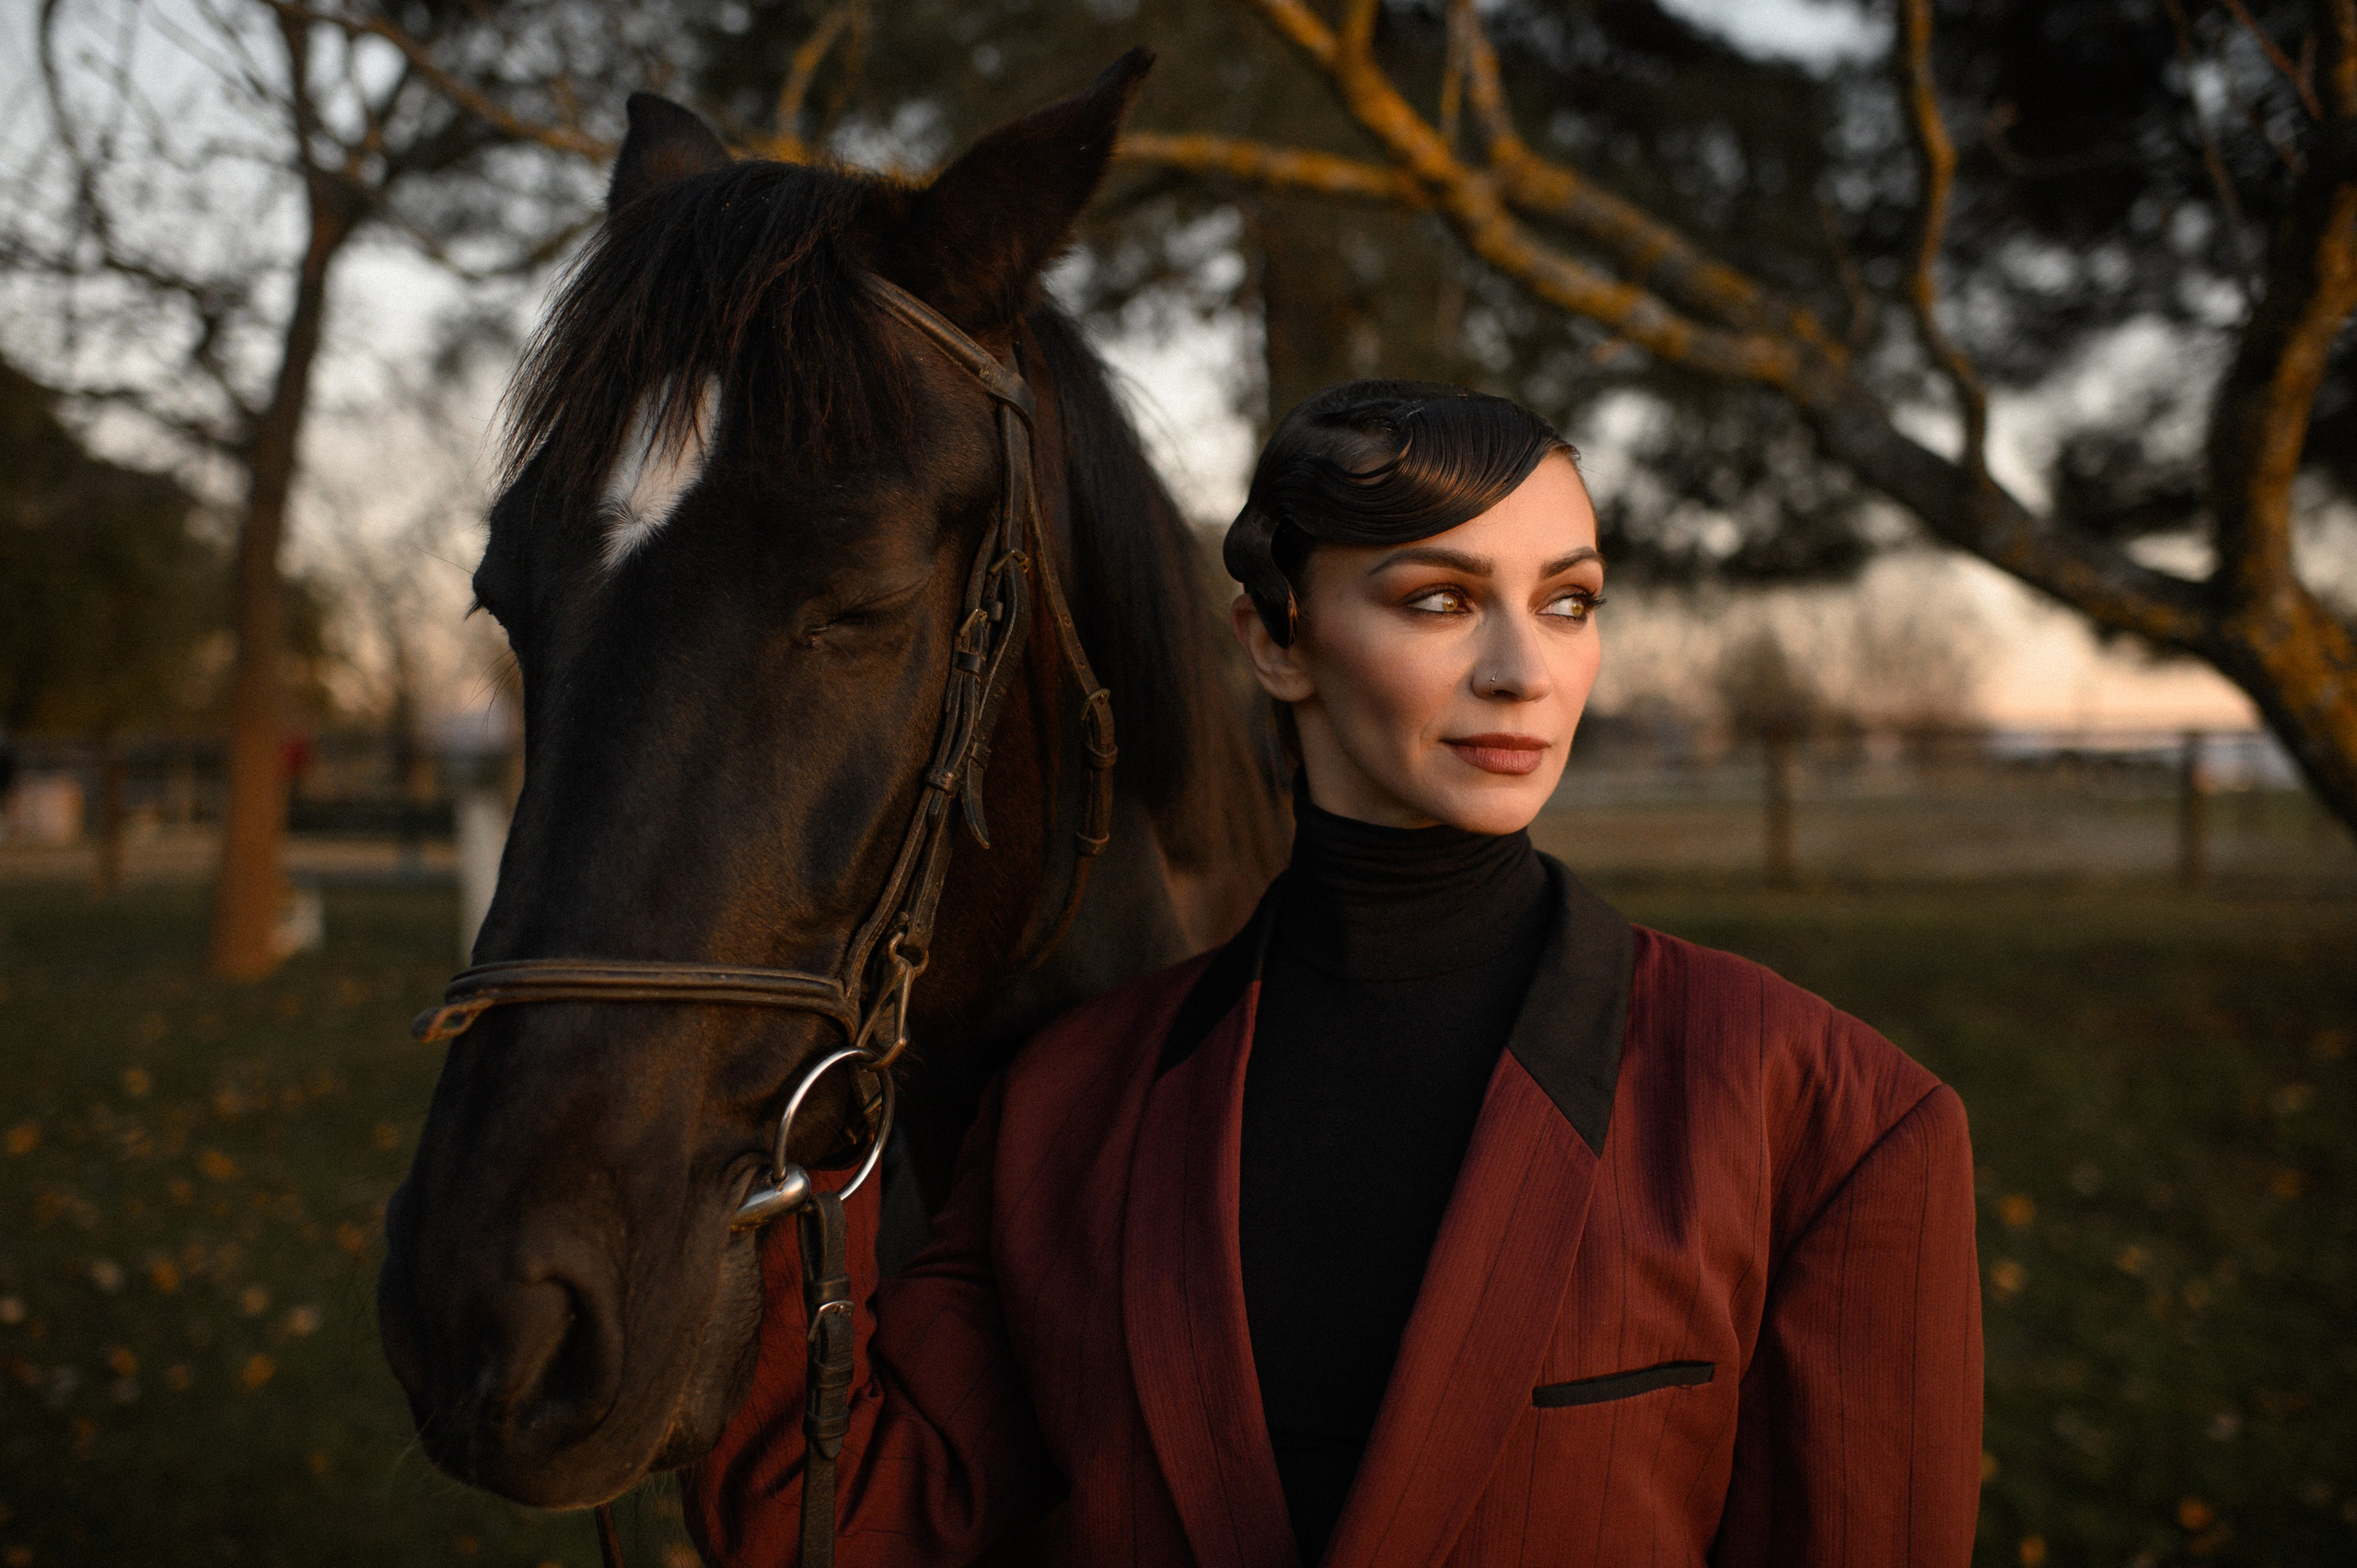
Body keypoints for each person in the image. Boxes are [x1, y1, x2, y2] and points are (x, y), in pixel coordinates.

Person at [689, 381, 1983, 1567]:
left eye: (1568, 601)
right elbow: (838, 1525)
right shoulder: (1068, 1107)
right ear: (1276, 640)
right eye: (1441, 599)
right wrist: (763, 1086)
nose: (1525, 671)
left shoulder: (1832, 1117)